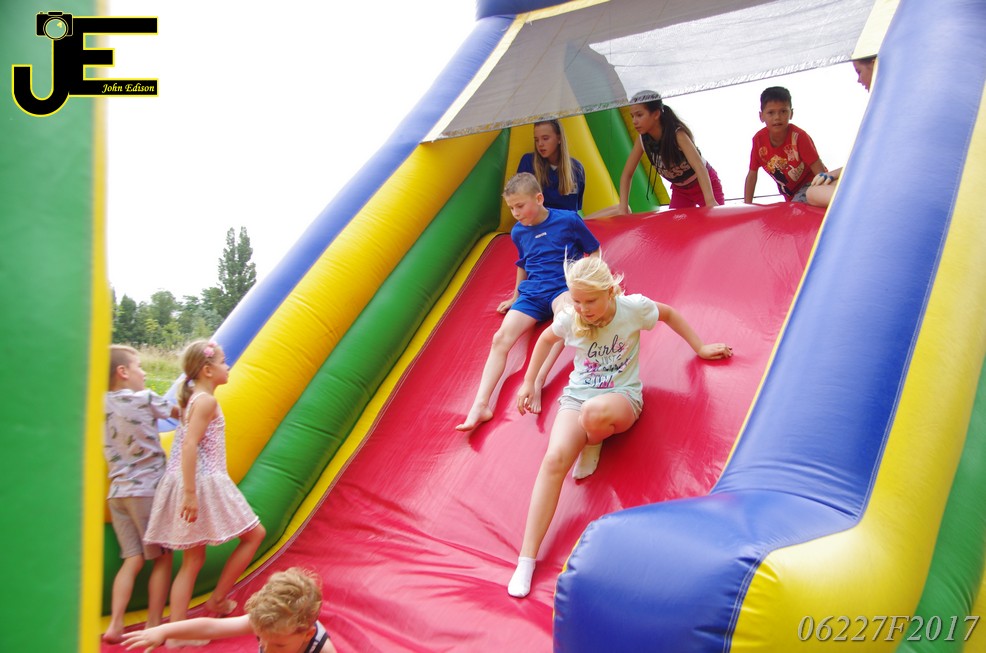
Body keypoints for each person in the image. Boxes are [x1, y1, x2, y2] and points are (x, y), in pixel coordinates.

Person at [506, 256, 733, 598]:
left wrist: (700, 347)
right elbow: (545, 341)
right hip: (578, 396)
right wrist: (528, 382)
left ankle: (593, 439)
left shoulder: (632, 308)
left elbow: (669, 314)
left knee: (593, 414)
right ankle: (526, 560)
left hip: (621, 398)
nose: (583, 309)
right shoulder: (572, 318)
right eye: (577, 301)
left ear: (610, 292)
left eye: (590, 301)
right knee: (554, 461)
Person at [455, 172, 601, 432]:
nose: (515, 213)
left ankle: (537, 381)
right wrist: (515, 296)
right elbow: (523, 263)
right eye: (511, 208)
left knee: (565, 320)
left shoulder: (568, 220)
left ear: (539, 198)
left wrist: (589, 280)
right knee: (500, 339)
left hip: (562, 288)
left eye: (520, 206)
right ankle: (481, 404)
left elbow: (594, 250)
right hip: (532, 294)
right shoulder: (518, 232)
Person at [144, 340, 267, 641]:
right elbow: (189, 445)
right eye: (223, 361)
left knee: (193, 561)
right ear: (208, 370)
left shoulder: (196, 399)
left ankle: (177, 632)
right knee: (255, 535)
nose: (228, 366)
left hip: (192, 480)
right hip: (203, 481)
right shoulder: (205, 402)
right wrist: (190, 494)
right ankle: (215, 601)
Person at [102, 345, 180, 644]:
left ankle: (115, 623)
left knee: (132, 559)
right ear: (122, 372)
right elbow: (180, 413)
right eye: (139, 367)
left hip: (117, 492)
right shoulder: (146, 398)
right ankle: (153, 623)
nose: (144, 372)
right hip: (147, 491)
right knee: (162, 558)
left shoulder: (100, 403)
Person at [121, 567, 336, 653]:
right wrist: (164, 631)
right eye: (261, 638)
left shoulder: (321, 649)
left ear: (307, 635)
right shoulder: (269, 623)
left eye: (279, 645)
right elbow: (211, 627)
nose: (267, 649)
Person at [617, 90, 724, 211]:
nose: (634, 121)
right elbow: (626, 174)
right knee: (677, 222)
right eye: (632, 116)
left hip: (704, 184)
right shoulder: (642, 140)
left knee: (714, 218)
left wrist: (710, 200)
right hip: (681, 191)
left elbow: (699, 166)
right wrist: (623, 207)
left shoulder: (677, 135)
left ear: (656, 114)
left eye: (639, 115)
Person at [806, 56, 877, 208]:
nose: (859, 80)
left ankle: (866, 203)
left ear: (874, 65)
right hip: (872, 175)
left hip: (876, 180)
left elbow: (868, 161)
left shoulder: (881, 107)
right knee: (816, 189)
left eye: (859, 72)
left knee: (813, 192)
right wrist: (831, 174)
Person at [743, 86, 826, 204]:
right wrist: (747, 206)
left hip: (813, 185)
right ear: (761, 116)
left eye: (783, 111)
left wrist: (826, 194)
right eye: (771, 113)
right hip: (791, 195)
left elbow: (820, 172)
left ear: (791, 113)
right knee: (788, 210)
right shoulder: (758, 141)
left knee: (794, 210)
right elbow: (752, 175)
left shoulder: (799, 137)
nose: (777, 117)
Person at [516, 119, 586, 212]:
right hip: (539, 220)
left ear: (559, 138)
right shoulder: (528, 162)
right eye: (536, 140)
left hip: (567, 221)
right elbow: (520, 204)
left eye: (545, 138)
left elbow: (576, 208)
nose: (540, 144)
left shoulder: (577, 168)